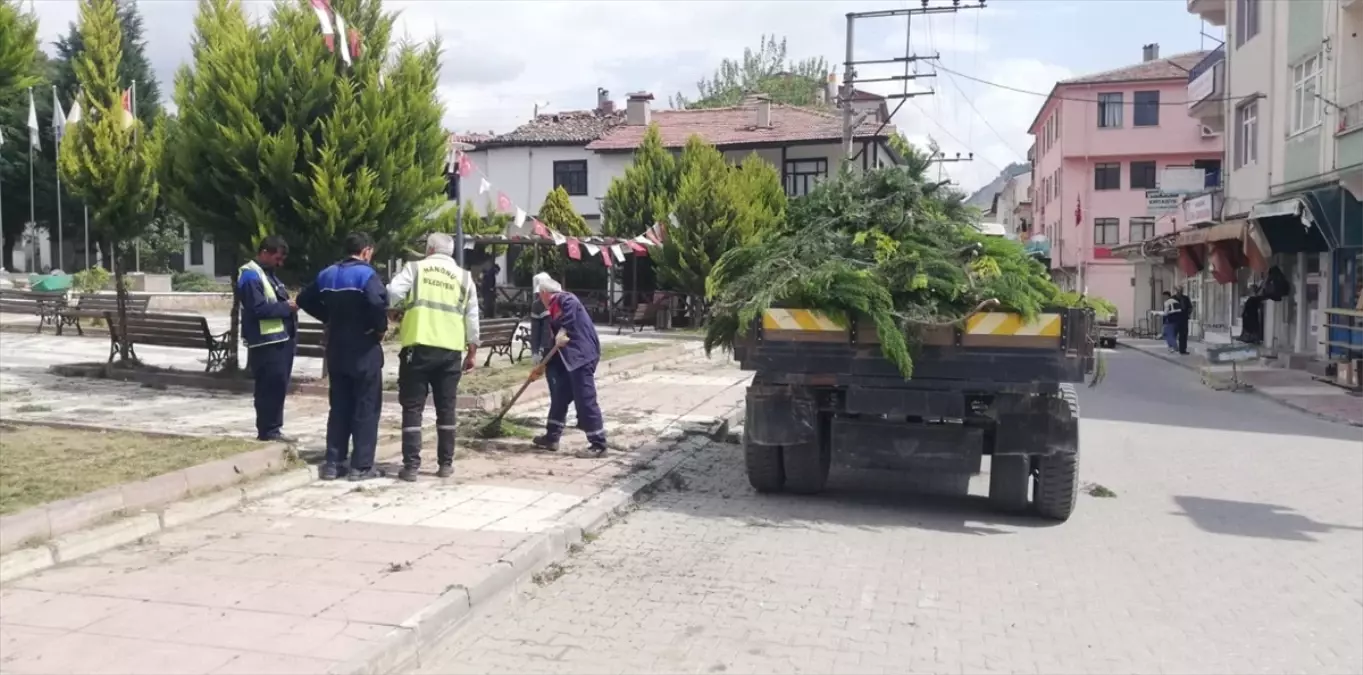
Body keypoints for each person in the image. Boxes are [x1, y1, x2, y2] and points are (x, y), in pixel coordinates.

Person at [387, 232, 480, 482]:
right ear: (450, 252)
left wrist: (399, 309)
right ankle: (445, 464)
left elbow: (393, 293)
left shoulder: (415, 269)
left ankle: (411, 466)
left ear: (429, 250)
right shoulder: (464, 277)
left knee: (413, 408)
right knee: (447, 409)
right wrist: (472, 351)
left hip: (418, 348)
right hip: (450, 351)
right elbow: (472, 317)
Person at [296, 232, 389, 482]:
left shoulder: (327, 274)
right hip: (364, 348)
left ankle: (333, 463)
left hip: (336, 349)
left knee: (339, 407)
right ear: (367, 251)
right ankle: (361, 466)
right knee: (366, 407)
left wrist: (328, 317)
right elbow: (377, 304)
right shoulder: (366, 275)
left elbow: (303, 299)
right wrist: (379, 328)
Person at [529, 273, 607, 456]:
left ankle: (599, 444)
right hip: (568, 360)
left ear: (544, 293)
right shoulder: (554, 306)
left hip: (582, 357)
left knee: (585, 399)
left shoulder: (566, 299)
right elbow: (555, 341)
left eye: (539, 295)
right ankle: (551, 437)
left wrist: (562, 331)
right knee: (560, 397)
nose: (539, 299)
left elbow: (569, 321)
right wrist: (542, 365)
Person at [237, 236, 299, 442]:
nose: (279, 263)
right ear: (264, 253)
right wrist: (286, 307)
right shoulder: (250, 276)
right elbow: (257, 309)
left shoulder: (268, 275)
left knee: (278, 386)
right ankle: (268, 431)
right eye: (277, 258)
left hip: (279, 340)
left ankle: (274, 429)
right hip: (266, 343)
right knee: (269, 388)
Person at [1174, 286, 1193, 355]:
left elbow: (1190, 307)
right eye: (1178, 290)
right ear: (1176, 291)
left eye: (1181, 290)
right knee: (1174, 334)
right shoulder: (1173, 298)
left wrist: (1188, 313)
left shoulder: (1186, 298)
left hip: (1184, 319)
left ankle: (1183, 349)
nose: (1180, 291)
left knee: (1183, 335)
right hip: (1175, 319)